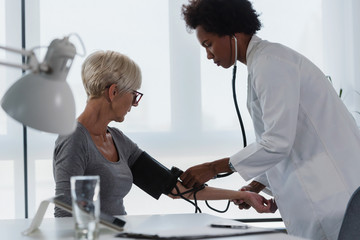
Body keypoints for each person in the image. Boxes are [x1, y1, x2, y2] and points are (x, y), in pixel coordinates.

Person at [180, 0, 360, 239]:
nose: (208, 55)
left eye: (209, 44)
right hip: (324, 200)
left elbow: (277, 142)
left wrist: (213, 168)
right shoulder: (265, 63)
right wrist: (258, 185)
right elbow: (287, 139)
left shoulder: (271, 63)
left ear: (233, 32)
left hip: (332, 201)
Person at [53, 50, 274, 218]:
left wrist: (244, 195)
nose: (135, 104)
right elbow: (64, 215)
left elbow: (174, 188)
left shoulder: (117, 140)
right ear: (113, 92)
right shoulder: (74, 140)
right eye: (134, 95)